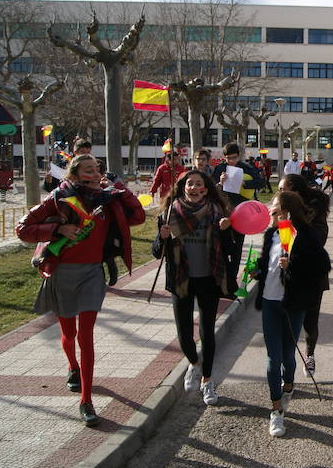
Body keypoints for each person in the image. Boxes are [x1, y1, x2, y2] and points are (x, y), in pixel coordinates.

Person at [16, 154, 145, 426]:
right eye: (88, 170)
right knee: (69, 332)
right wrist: (57, 228)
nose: (96, 174)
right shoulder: (58, 197)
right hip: (61, 272)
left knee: (86, 335)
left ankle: (86, 400)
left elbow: (138, 216)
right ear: (73, 175)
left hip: (92, 274)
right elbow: (23, 229)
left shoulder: (108, 199)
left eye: (98, 169)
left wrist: (122, 189)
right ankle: (72, 367)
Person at [153, 170, 235, 406]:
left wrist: (227, 229)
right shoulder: (169, 215)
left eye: (199, 184)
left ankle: (207, 381)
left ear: (206, 189)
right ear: (182, 188)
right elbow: (157, 252)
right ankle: (194, 364)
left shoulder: (217, 213)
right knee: (184, 334)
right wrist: (162, 237)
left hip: (209, 279)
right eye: (190, 183)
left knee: (207, 332)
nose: (195, 187)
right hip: (181, 279)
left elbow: (229, 250)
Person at [255, 190, 330, 437]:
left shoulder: (306, 235)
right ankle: (276, 411)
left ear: (286, 211)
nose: (270, 211)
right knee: (272, 358)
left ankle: (288, 386)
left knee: (288, 355)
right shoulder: (271, 235)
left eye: (274, 208)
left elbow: (321, 269)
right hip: (269, 302)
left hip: (293, 304)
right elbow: (266, 264)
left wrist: (293, 266)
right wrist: (257, 271)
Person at [279, 174, 330, 378]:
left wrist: (296, 223)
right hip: (286, 276)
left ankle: (309, 354)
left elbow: (318, 241)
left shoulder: (315, 212)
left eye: (283, 190)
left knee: (310, 321)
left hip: (311, 276)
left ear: (296, 191)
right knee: (287, 324)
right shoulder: (280, 212)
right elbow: (276, 241)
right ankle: (286, 370)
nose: (280, 193)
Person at [211, 142, 266, 284]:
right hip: (222, 212)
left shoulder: (246, 167)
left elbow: (261, 182)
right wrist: (220, 182)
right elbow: (211, 188)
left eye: (234, 158)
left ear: (239, 156)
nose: (232, 161)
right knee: (222, 246)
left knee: (237, 247)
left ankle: (232, 280)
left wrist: (245, 183)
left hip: (240, 213)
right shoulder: (220, 169)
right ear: (224, 157)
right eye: (228, 158)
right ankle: (221, 277)